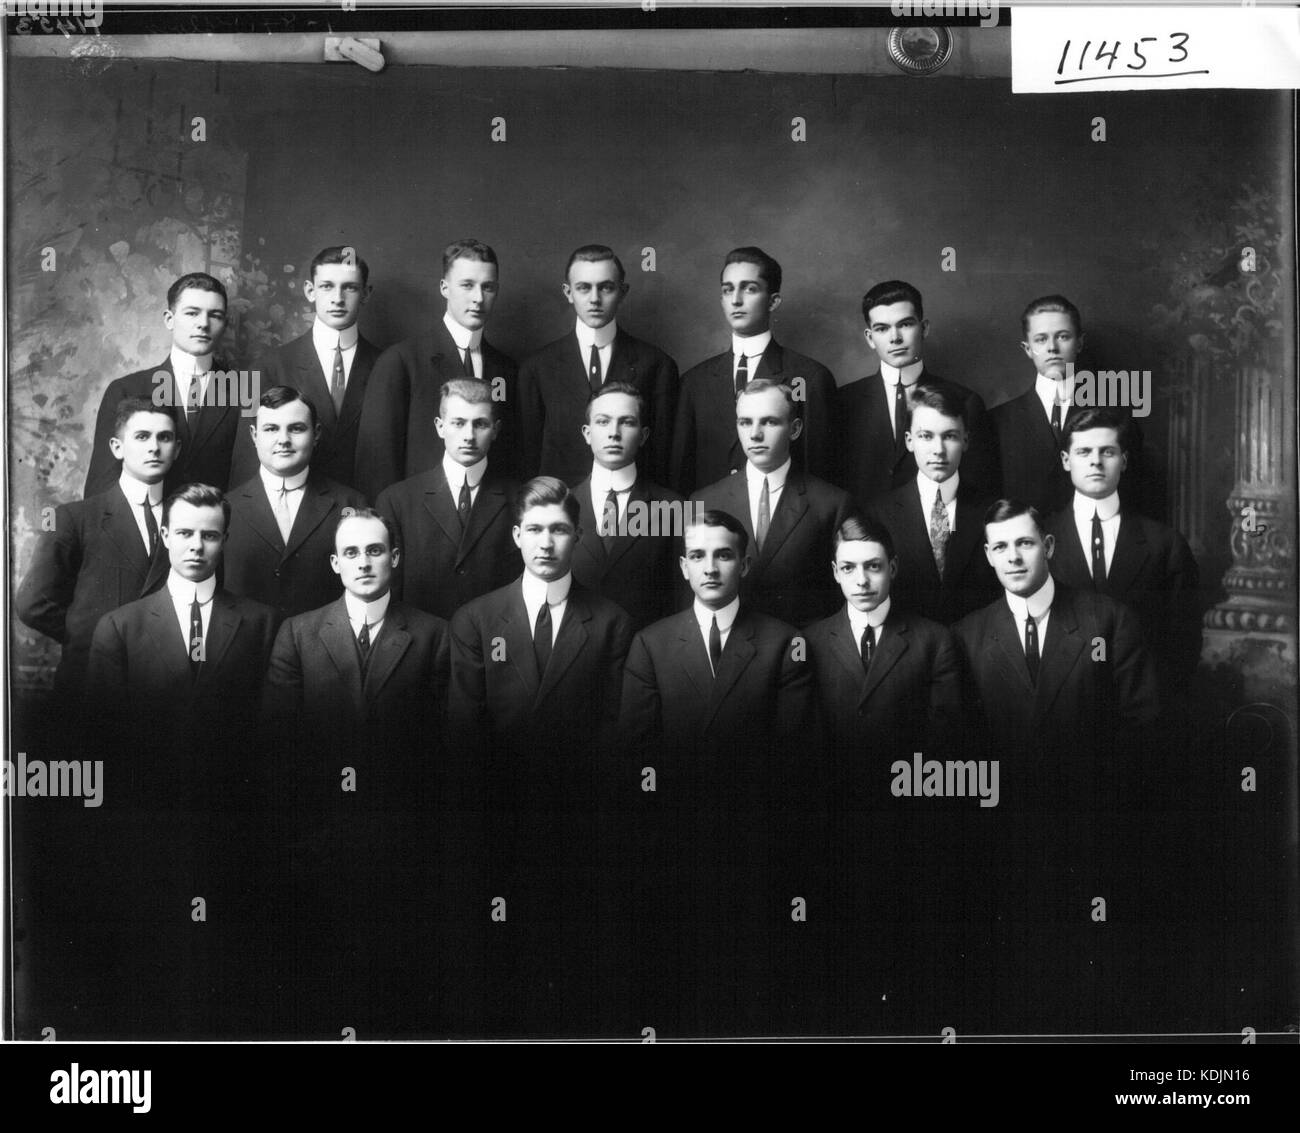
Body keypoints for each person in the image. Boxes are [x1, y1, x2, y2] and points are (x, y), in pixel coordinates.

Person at [83, 483, 278, 1037]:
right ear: (166, 535)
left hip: (234, 827)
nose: (197, 546)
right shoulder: (119, 627)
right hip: (150, 828)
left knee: (229, 974)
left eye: (210, 535)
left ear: (225, 541)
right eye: (186, 533)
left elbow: (274, 733)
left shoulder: (263, 624)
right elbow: (102, 746)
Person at [448, 476, 634, 1035]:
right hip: (498, 822)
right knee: (499, 963)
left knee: (571, 963)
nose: (546, 542)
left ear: (578, 536)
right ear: (516, 536)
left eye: (558, 530)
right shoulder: (477, 621)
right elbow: (464, 733)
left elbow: (615, 732)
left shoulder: (611, 622)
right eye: (535, 530)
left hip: (579, 822)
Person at [617, 508, 816, 1035]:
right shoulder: (651, 644)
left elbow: (791, 757)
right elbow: (639, 761)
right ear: (683, 567)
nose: (711, 568)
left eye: (724, 555)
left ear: (745, 564)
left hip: (754, 846)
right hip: (672, 846)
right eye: (699, 556)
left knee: (746, 995)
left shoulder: (783, 642)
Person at [262, 507, 453, 1035]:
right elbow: (279, 745)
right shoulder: (297, 635)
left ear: (394, 558)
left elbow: (445, 747)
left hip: (403, 839)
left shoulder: (435, 636)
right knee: (321, 983)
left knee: (397, 989)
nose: (364, 563)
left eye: (375, 551)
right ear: (334, 563)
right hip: (320, 836)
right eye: (351, 553)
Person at [17, 398, 175, 697]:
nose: (154, 447)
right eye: (142, 436)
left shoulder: (187, 520)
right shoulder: (74, 517)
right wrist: (88, 636)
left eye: (164, 437)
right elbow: (32, 603)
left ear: (176, 449)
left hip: (164, 689)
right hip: (91, 683)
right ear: (117, 447)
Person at [1046, 406, 1201, 689]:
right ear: (1066, 460)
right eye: (1084, 452)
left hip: (1140, 708)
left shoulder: (1165, 545)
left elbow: (1183, 644)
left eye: (1107, 452)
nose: (1096, 462)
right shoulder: (1040, 539)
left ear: (1124, 460)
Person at [357, 238, 518, 499]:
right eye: (467, 285)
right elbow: (378, 462)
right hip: (418, 519)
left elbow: (506, 457)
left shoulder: (504, 369)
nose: (478, 298)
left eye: (487, 287)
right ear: (444, 287)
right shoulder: (401, 361)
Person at [690, 379, 855, 627]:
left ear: (795, 429)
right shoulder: (704, 501)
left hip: (800, 647)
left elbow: (840, 599)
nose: (755, 434)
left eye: (769, 422)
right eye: (745, 422)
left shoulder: (832, 504)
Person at [670, 246, 835, 495]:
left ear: (773, 301)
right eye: (728, 290)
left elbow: (820, 475)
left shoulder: (809, 377)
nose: (736, 299)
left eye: (749, 288)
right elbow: (680, 474)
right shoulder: (694, 382)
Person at [517, 244, 678, 486]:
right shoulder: (536, 368)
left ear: (622, 292)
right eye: (583, 288)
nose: (594, 299)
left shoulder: (657, 365)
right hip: (559, 510)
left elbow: (662, 457)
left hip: (634, 511)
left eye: (606, 287)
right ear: (568, 292)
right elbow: (529, 457)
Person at [834, 280, 998, 504]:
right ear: (870, 338)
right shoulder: (843, 402)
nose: (895, 338)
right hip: (864, 532)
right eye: (882, 328)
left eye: (905, 324)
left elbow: (977, 493)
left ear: (925, 328)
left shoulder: (965, 401)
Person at [230, 246, 379, 489]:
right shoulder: (264, 368)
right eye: (326, 286)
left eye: (350, 287)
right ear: (310, 291)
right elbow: (246, 459)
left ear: (366, 293)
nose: (338, 298)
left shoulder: (387, 366)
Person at [374, 378, 520, 620]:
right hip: (421, 645)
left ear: (495, 430)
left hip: (492, 641)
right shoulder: (397, 501)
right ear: (440, 427)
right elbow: (390, 592)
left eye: (480, 424)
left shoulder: (519, 499)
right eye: (458, 423)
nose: (469, 436)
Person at [85, 273, 241, 494]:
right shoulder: (125, 390)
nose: (203, 324)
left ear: (224, 323)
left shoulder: (244, 389)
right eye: (192, 313)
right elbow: (102, 485)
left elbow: (248, 476)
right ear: (169, 319)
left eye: (214, 315)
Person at [222, 385, 366, 624]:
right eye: (271, 429)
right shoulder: (225, 507)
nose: (283, 440)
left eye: (296, 429)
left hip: (323, 648)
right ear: (254, 435)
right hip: (246, 648)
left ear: (316, 433)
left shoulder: (350, 504)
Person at [991, 294, 1146, 516]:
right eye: (1041, 339)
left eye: (1063, 337)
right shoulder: (998, 421)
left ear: (1079, 343)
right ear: (1027, 348)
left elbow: (1133, 493)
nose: (1052, 347)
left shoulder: (1117, 415)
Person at [863, 381, 1000, 624]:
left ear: (966, 440)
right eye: (926, 436)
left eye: (950, 436)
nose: (938, 449)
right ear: (909, 440)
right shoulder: (878, 514)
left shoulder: (993, 511)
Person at [569, 382, 685, 628]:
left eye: (627, 422)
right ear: (587, 433)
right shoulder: (562, 503)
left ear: (643, 436)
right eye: (603, 421)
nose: (614, 432)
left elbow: (681, 595)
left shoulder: (672, 506)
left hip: (644, 650)